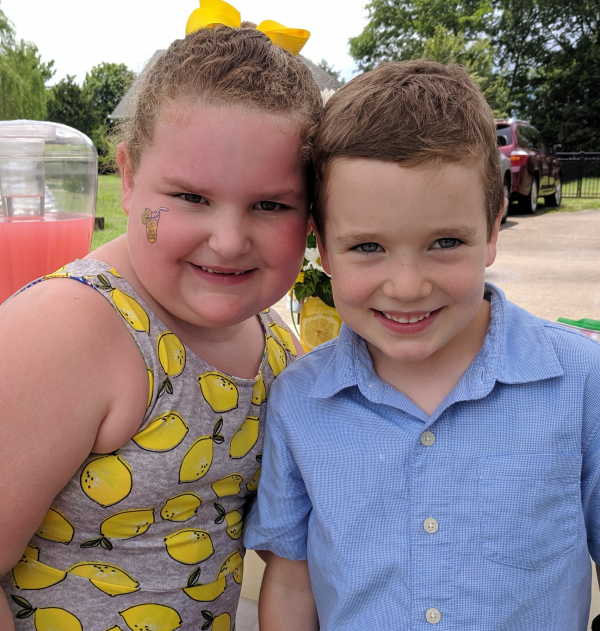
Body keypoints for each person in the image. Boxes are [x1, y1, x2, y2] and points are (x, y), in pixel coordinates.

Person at [244, 60, 600, 630]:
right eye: (367, 247)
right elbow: (291, 583)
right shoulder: (300, 400)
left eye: (445, 242)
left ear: (494, 226)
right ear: (323, 248)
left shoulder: (582, 382)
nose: (407, 287)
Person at [0, 9, 322, 629]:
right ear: (127, 176)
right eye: (191, 197)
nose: (228, 240)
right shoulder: (70, 330)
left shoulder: (278, 345)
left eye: (270, 205)